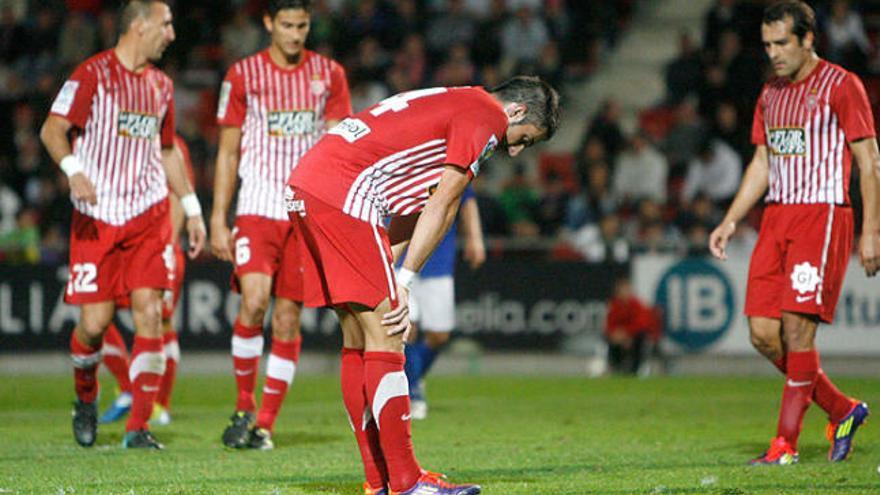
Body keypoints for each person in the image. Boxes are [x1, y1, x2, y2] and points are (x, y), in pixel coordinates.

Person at [287, 76, 559, 495]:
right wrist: (405, 280)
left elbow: (412, 210)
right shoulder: (485, 115)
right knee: (390, 335)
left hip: (312, 184)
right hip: (345, 191)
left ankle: (379, 480)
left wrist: (388, 269)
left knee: (359, 337)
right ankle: (407, 482)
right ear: (517, 111)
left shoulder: (454, 103)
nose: (517, 148)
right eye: (525, 137)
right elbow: (445, 201)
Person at [709, 0, 879, 465]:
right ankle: (843, 410)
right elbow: (763, 162)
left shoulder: (842, 86)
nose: (774, 53)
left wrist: (871, 230)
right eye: (767, 44)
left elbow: (869, 159)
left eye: (782, 42)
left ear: (808, 39)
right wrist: (730, 219)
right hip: (776, 217)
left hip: (821, 215)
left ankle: (785, 445)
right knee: (763, 334)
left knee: (797, 333)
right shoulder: (771, 94)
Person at [39, 0, 206, 450]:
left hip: (148, 215)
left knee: (150, 311)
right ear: (139, 25)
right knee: (94, 325)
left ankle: (138, 426)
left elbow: (168, 151)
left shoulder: (161, 86)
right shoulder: (93, 74)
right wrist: (74, 168)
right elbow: (52, 129)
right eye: (166, 25)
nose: (172, 34)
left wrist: (191, 208)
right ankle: (86, 396)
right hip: (97, 217)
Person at [209, 0, 351, 450]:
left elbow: (337, 147)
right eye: (287, 25)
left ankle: (265, 425)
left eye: (303, 26)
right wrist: (218, 216)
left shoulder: (329, 74)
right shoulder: (242, 75)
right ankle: (243, 404)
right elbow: (228, 152)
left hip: (303, 211)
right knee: (253, 303)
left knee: (288, 320)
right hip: (256, 205)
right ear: (269, 23)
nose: (295, 34)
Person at [99, 135, 195, 427]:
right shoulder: (123, 137)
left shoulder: (172, 145)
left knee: (160, 321)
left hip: (160, 248)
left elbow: (178, 195)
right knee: (95, 313)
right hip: (126, 242)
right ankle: (130, 388)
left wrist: (168, 243)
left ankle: (158, 405)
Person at [403, 185, 485, 420]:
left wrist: (475, 238)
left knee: (439, 335)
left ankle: (413, 376)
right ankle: (412, 394)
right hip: (401, 252)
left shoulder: (448, 156)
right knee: (406, 328)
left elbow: (466, 197)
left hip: (438, 257)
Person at [603, 277, 661, 375]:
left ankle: (635, 370)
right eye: (622, 290)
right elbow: (609, 325)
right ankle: (616, 368)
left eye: (627, 289)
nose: (625, 292)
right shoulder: (614, 305)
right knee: (612, 342)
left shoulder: (637, 305)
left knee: (640, 338)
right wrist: (617, 335)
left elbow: (642, 324)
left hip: (634, 336)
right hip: (619, 337)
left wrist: (627, 335)